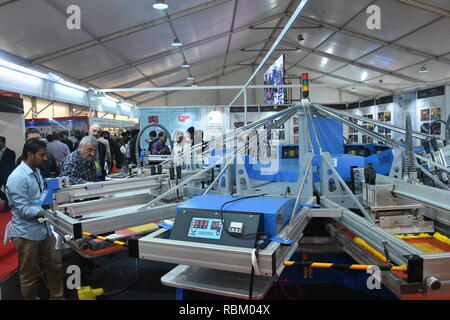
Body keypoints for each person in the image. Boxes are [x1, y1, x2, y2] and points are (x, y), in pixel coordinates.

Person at [6, 139, 65, 300]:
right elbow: (23, 209)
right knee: (29, 274)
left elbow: (38, 198)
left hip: (44, 229)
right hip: (26, 234)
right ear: (29, 154)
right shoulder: (17, 177)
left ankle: (57, 297)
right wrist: (50, 213)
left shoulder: (37, 171)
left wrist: (52, 203)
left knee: (55, 266)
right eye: (42, 154)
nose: (45, 158)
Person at [0, 136, 16, 212]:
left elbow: (12, 165)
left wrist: (11, 176)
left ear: (3, 142)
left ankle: (7, 206)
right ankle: (6, 199)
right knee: (6, 194)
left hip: (7, 175)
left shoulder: (11, 152)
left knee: (8, 190)